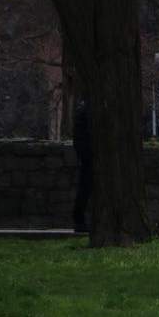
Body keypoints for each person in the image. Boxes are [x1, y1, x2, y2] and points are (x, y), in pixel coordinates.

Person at [72, 100, 93, 233]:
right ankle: (79, 220)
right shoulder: (87, 110)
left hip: (87, 155)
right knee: (85, 188)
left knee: (84, 188)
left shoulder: (83, 109)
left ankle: (79, 220)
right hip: (89, 156)